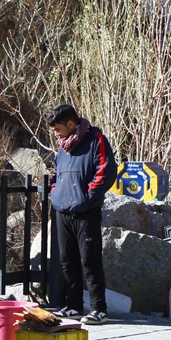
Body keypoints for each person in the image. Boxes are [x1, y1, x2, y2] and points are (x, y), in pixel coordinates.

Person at [48, 103, 117, 325]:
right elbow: (56, 174)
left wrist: (88, 197)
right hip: (62, 210)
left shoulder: (96, 139)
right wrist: (55, 193)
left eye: (58, 128)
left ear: (71, 123)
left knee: (90, 259)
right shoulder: (62, 147)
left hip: (86, 210)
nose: (56, 134)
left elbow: (106, 170)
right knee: (67, 259)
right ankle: (73, 305)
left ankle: (99, 309)